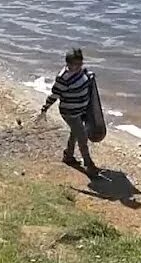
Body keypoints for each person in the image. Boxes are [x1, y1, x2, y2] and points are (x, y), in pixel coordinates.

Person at [35, 48, 99, 177]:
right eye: (73, 65)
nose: (76, 67)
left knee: (75, 133)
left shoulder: (81, 72)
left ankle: (68, 156)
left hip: (81, 110)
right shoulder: (63, 78)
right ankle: (89, 165)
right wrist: (44, 109)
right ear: (67, 63)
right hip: (70, 112)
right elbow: (54, 95)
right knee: (82, 137)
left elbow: (85, 80)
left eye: (79, 64)